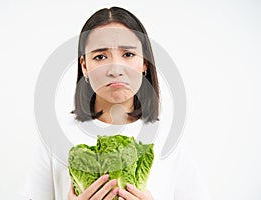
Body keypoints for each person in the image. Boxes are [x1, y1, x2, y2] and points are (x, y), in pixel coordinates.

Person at [19, 7, 212, 200]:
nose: (115, 69)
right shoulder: (54, 135)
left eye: (128, 54)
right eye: (100, 57)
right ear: (84, 66)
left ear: (144, 62)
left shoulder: (168, 138)